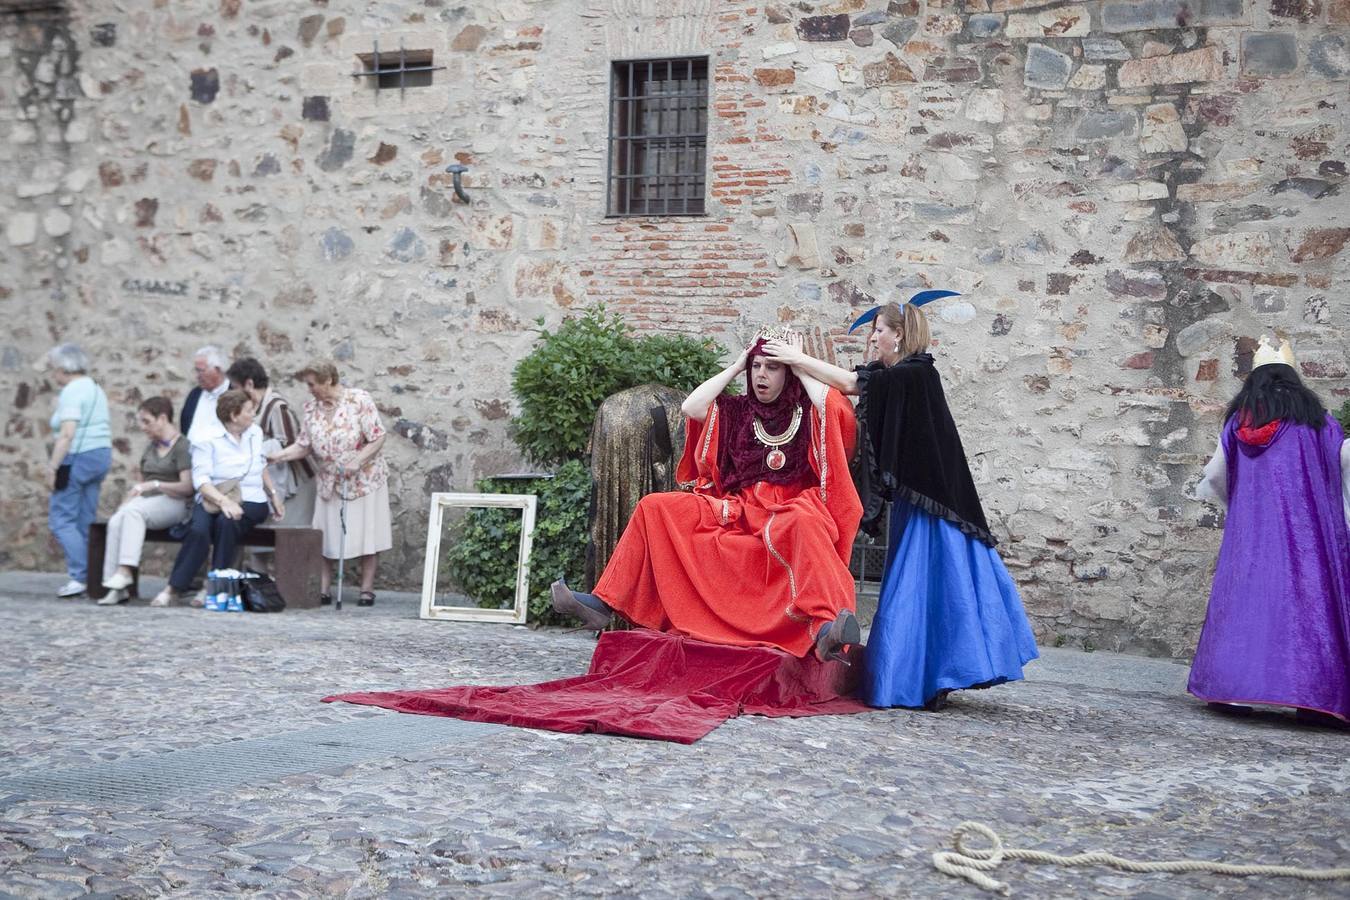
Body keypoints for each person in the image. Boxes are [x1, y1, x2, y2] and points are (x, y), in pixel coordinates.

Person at [763, 300, 1039, 708]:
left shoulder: (917, 374)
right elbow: (851, 384)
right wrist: (800, 367)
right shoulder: (896, 375)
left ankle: (924, 678)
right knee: (924, 589)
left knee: (932, 588)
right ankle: (926, 678)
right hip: (920, 499)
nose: (874, 338)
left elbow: (853, 384)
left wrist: (797, 358)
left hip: (936, 504)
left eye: (879, 330)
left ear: (899, 335)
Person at [551, 330, 864, 662]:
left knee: (806, 521)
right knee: (654, 506)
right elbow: (691, 406)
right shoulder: (737, 411)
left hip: (788, 510)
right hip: (739, 510)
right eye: (757, 367)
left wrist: (798, 364)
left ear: (786, 373)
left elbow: (836, 408)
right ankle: (604, 603)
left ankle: (826, 629)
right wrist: (736, 364)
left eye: (772, 368)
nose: (761, 375)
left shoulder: (805, 410)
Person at [1191, 337, 1350, 725]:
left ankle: (1230, 694)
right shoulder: (1319, 424)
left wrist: (1242, 505)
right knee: (1308, 606)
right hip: (1307, 535)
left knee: (1246, 601)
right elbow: (1343, 462)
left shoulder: (1238, 424)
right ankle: (1313, 700)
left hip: (1251, 535)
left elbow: (1216, 475)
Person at [267, 361, 391, 606]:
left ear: (328, 381)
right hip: (329, 480)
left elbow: (378, 437)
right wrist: (277, 456)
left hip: (363, 478)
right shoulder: (311, 408)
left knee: (366, 533)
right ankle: (323, 588)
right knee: (327, 535)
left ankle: (366, 589)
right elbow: (304, 445)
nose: (310, 389)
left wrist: (357, 461)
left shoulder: (359, 401)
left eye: (312, 384)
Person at [152, 390, 284, 607]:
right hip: (213, 497)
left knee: (227, 522)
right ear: (234, 415)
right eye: (249, 410)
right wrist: (225, 502)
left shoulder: (255, 433)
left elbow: (261, 467)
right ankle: (173, 588)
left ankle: (212, 586)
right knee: (199, 529)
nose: (254, 414)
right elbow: (201, 481)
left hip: (251, 498)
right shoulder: (206, 437)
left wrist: (274, 495)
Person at [97, 397, 194, 605]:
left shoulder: (182, 446)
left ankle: (125, 570)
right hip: (148, 502)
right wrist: (125, 503)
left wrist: (157, 485)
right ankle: (115, 587)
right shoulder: (151, 447)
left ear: (162, 418)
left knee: (133, 513)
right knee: (117, 520)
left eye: (146, 421)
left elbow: (187, 487)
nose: (142, 427)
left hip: (174, 502)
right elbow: (141, 484)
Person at [42, 343, 113, 598]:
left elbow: (67, 433)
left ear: (64, 367)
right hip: (101, 455)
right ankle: (93, 577)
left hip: (77, 458)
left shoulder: (72, 391)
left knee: (61, 519)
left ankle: (80, 575)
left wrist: (53, 466)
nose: (53, 374)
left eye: (53, 368)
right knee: (85, 520)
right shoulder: (95, 388)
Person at [225, 357, 317, 531]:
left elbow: (293, 443)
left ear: (249, 384)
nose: (235, 393)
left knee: (291, 537)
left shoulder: (277, 407)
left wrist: (262, 450)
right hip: (272, 482)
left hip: (294, 484)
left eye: (236, 387)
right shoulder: (254, 407)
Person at [183, 345, 230, 449]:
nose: (197, 376)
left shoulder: (233, 392)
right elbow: (185, 424)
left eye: (201, 370)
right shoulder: (195, 394)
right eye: (196, 371)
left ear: (217, 370)